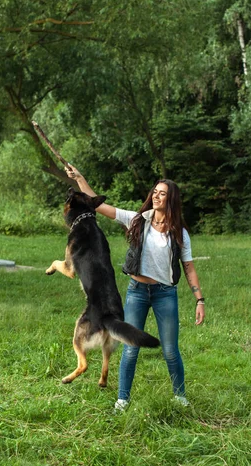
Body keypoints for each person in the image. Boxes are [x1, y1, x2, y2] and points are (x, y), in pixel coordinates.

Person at [65, 164, 205, 410]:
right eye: (155, 192)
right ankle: (122, 399)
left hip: (165, 294)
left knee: (171, 350)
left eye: (162, 193)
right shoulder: (138, 220)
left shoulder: (179, 233)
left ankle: (180, 396)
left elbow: (189, 267)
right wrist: (80, 180)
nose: (156, 195)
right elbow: (98, 205)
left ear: (171, 199)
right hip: (137, 292)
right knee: (130, 350)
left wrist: (199, 300)